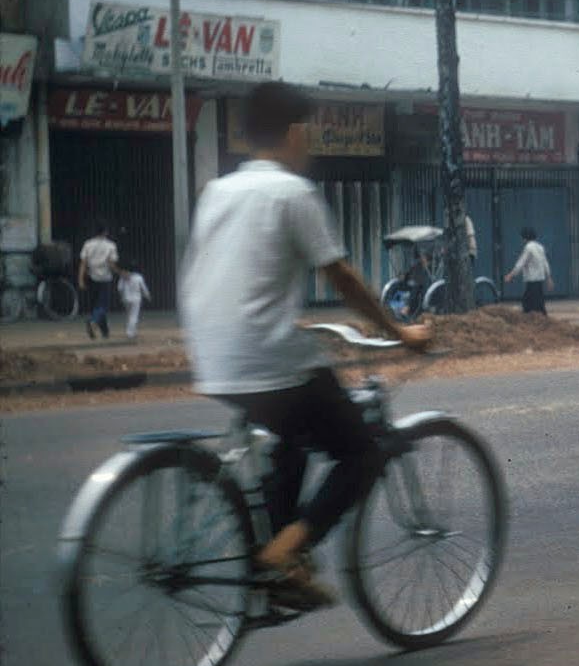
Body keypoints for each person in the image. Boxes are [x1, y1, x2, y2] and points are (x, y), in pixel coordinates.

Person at [180, 81, 428, 610]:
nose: (310, 143)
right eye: (309, 132)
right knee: (362, 452)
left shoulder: (218, 191)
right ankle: (285, 553)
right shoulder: (292, 193)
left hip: (212, 356)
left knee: (291, 436)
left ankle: (275, 562)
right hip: (267, 357)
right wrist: (397, 330)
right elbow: (341, 276)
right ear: (295, 132)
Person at [78, 222, 118, 339]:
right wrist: (120, 272)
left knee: (96, 306)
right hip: (105, 278)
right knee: (103, 306)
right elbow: (111, 264)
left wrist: (80, 279)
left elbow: (83, 263)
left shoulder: (88, 244)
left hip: (91, 278)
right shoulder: (111, 245)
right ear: (105, 232)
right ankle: (93, 322)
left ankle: (105, 331)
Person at [504, 225, 551, 314]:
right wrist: (548, 278)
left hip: (531, 279)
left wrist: (511, 275)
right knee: (539, 301)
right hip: (540, 278)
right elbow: (545, 263)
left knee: (528, 302)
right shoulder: (540, 247)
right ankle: (540, 317)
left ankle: (531, 319)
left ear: (524, 237)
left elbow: (521, 263)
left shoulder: (528, 247)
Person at [117, 261, 151, 340]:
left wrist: (121, 297)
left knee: (129, 315)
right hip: (136, 299)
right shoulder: (138, 277)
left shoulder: (123, 277)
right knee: (134, 316)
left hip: (126, 298)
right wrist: (147, 295)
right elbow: (143, 288)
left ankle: (133, 331)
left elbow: (120, 289)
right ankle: (130, 333)